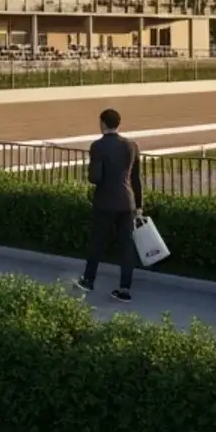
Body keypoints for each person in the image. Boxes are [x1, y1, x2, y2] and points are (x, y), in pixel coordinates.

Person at [75, 107, 144, 302]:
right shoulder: (132, 145)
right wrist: (138, 204)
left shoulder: (98, 146)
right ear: (118, 123)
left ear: (103, 123)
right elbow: (136, 178)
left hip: (105, 202)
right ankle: (124, 288)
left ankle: (88, 280)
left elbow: (95, 177)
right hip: (127, 202)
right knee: (126, 246)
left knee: (97, 242)